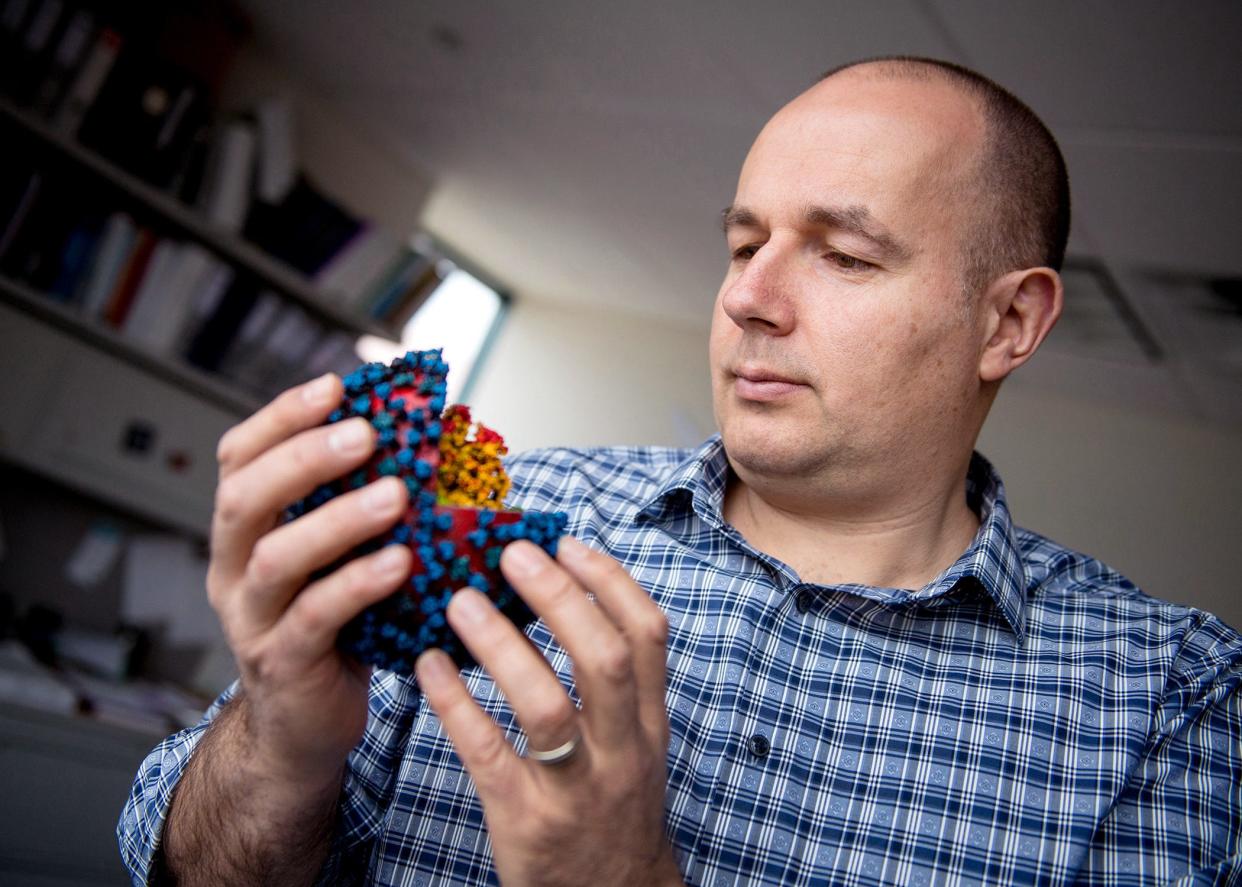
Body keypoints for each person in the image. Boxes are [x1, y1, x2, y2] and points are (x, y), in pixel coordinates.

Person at [118, 56, 1241, 886]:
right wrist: (280, 744)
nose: (749, 295)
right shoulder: (492, 515)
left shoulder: (1176, 701)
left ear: (1009, 322)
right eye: (744, 244)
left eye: (844, 254)